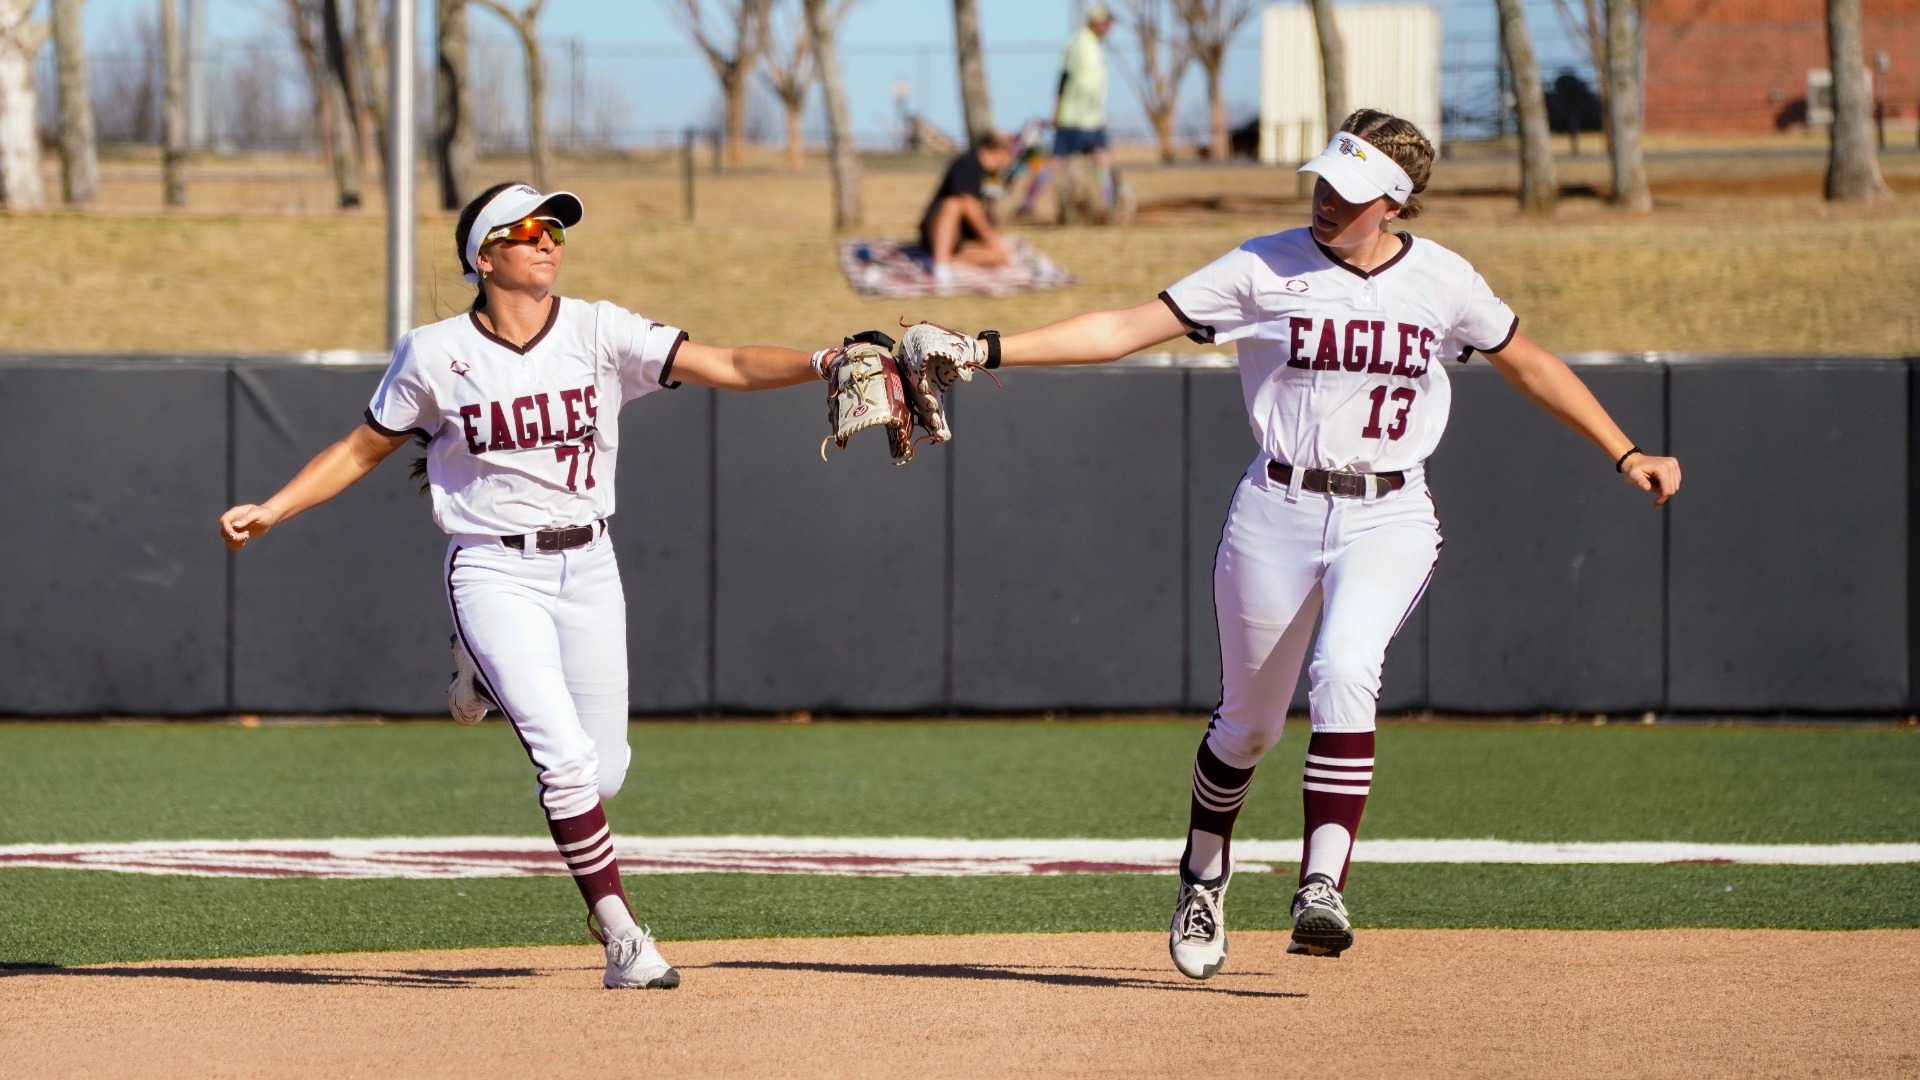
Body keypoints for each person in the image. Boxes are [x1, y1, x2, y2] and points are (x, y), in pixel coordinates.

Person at [903, 110, 1682, 976]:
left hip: (1389, 513)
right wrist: (984, 348)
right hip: (1276, 509)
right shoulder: (1263, 265)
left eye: (1347, 190)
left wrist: (1625, 449)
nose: (1324, 197)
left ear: (1393, 199)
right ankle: (1203, 873)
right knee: (1247, 726)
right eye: (1320, 179)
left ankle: (1322, 886)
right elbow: (1124, 329)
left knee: (1346, 669)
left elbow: (1529, 359)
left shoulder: (1445, 281)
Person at [217, 181, 850, 991]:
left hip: (589, 563)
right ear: (485, 258)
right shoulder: (435, 352)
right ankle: (620, 934)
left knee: (604, 770)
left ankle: (475, 674)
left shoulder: (597, 328)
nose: (548, 240)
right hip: (491, 566)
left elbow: (724, 362)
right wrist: (275, 507)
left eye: (555, 227)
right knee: (563, 762)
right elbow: (361, 448)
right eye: (526, 230)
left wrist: (821, 360)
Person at [1016, 3, 1114, 219]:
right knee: (1055, 162)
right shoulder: (1077, 42)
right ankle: (1027, 203)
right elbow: (1062, 78)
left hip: (1095, 118)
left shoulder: (1097, 46)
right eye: (1106, 23)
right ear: (1096, 22)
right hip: (1072, 118)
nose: (1109, 28)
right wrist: (1056, 111)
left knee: (1103, 159)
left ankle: (1108, 205)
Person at [920, 133, 1018, 287]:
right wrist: (989, 237)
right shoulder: (967, 164)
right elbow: (968, 203)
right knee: (953, 204)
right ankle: (941, 264)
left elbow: (990, 211)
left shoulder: (993, 177)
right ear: (999, 151)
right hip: (941, 229)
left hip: (965, 239)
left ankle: (947, 261)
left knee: (999, 256)